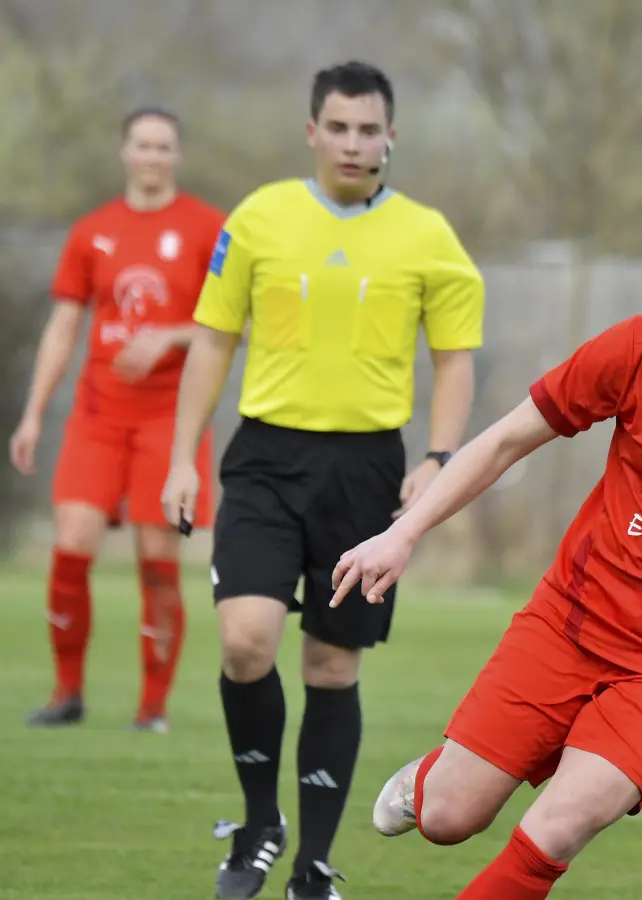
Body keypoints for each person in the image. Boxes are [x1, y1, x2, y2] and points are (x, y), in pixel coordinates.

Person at [329, 170, 642, 900]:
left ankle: (565, 765)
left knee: (556, 827)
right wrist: (405, 532)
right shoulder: (641, 349)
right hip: (571, 625)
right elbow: (508, 440)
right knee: (449, 818)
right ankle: (433, 778)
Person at [160, 61, 485, 900]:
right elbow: (210, 343)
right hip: (266, 458)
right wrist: (179, 458)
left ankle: (313, 865)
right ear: (312, 132)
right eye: (337, 127)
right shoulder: (260, 220)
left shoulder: (427, 236)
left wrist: (439, 460)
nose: (353, 143)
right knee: (244, 642)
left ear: (390, 136)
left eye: (368, 128)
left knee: (333, 668)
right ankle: (259, 823)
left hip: (367, 469)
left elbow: (454, 362)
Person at [13, 106, 225, 733]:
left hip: (171, 418)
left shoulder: (208, 228)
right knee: (71, 543)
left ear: (177, 155)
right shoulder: (92, 231)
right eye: (142, 145)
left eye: (164, 146)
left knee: (157, 557)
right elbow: (63, 329)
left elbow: (232, 323)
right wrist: (30, 415)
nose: (153, 156)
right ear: (124, 151)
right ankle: (66, 692)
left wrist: (169, 337)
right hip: (98, 415)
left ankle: (151, 709)